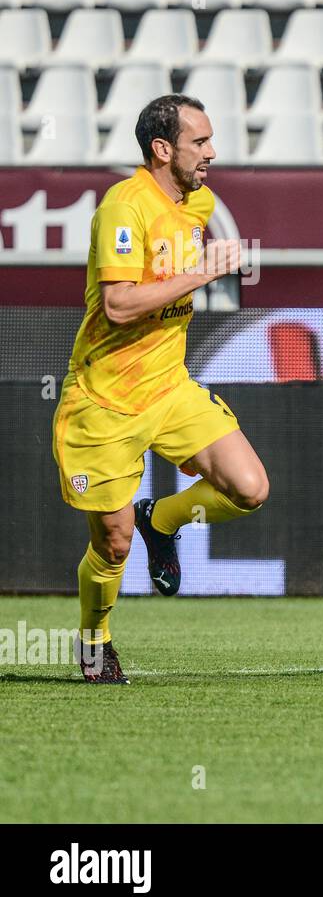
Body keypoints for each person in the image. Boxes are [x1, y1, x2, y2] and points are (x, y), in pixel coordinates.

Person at [51, 95, 269, 684]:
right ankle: (95, 642)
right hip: (105, 400)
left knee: (249, 489)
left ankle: (164, 520)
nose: (212, 152)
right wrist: (203, 272)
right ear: (162, 149)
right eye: (200, 142)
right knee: (113, 545)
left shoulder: (199, 202)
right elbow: (119, 306)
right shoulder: (124, 207)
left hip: (168, 387)